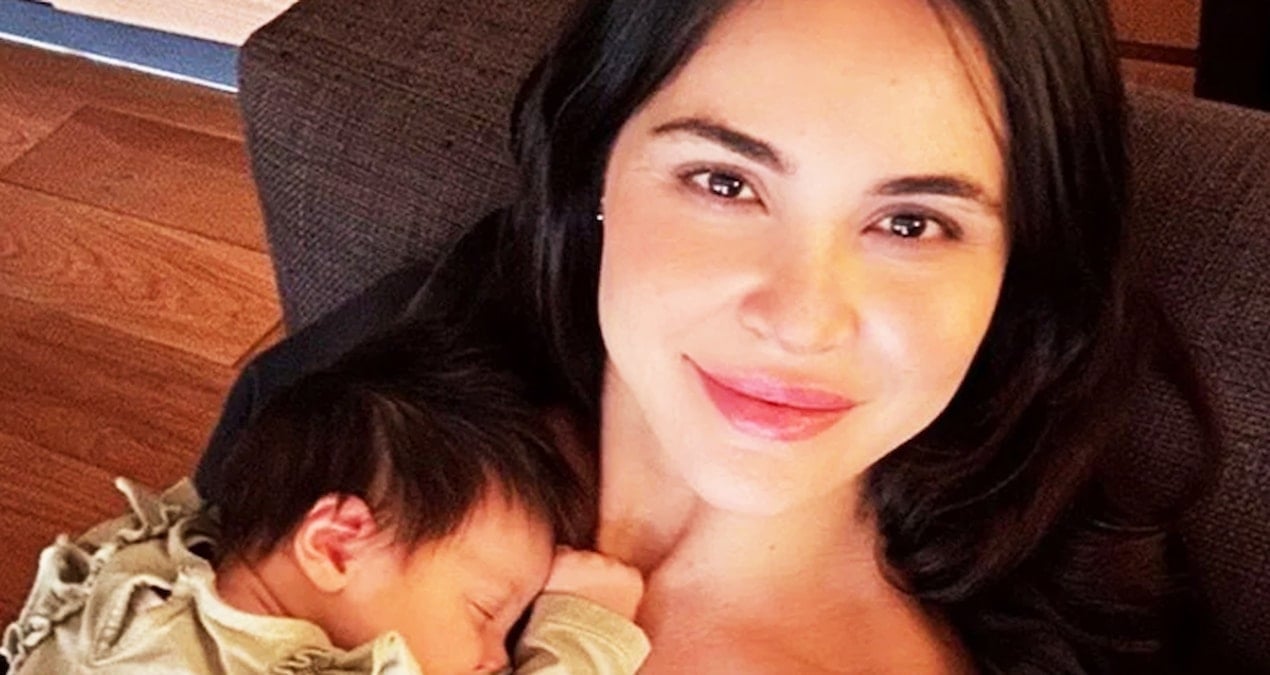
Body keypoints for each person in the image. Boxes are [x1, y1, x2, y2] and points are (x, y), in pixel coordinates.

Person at [195, 0, 1216, 672]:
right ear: (597, 166)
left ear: (1017, 267)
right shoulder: (368, 408)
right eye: (725, 182)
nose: (800, 318)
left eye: (911, 224)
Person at [1, 324, 650, 675]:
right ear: (336, 545)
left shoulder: (145, 592)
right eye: (484, 611)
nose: (496, 659)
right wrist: (582, 636)